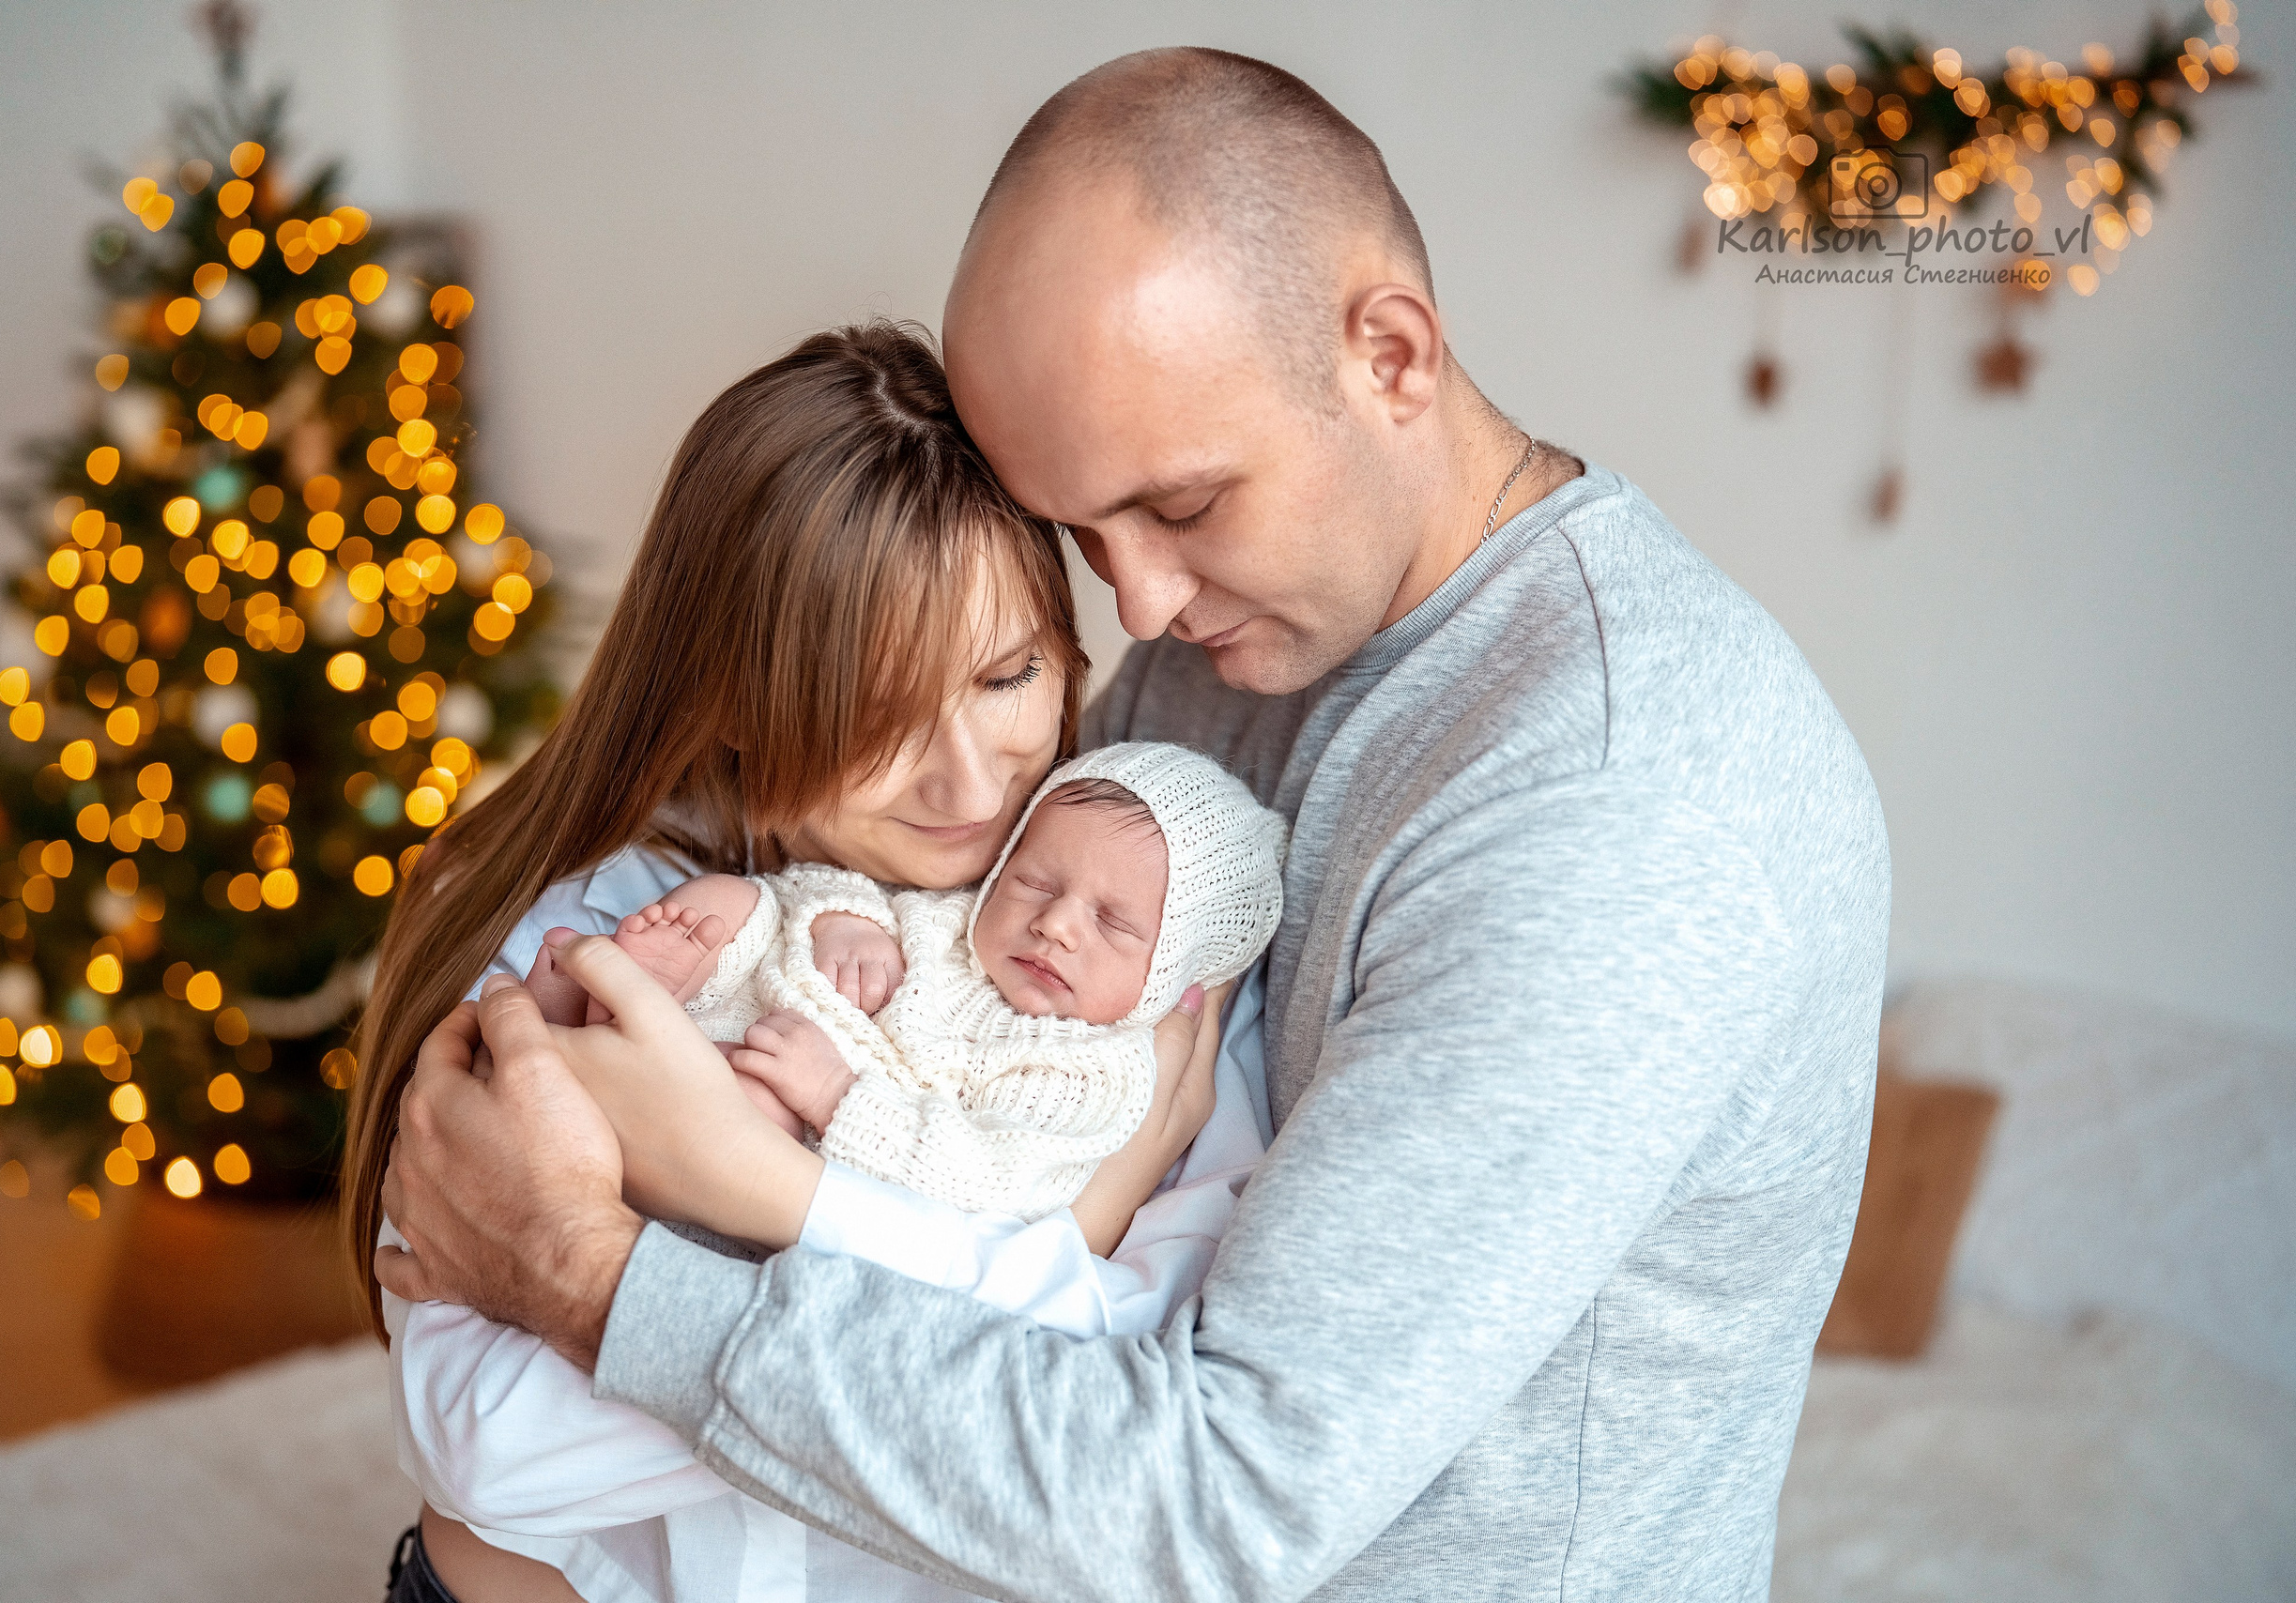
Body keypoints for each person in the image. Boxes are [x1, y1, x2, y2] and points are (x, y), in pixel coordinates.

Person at [378, 46, 1893, 1603]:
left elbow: (1210, 1502)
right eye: (1085, 534)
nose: (1141, 605)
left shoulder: (1619, 798)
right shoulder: (1216, 657)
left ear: (1389, 354)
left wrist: (591, 1274)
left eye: (1178, 507)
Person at [348, 322, 1248, 1601]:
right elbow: (491, 1448)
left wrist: (706, 1209)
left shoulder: (1123, 945)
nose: (971, 779)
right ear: (732, 699)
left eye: (1008, 676)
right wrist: (1084, 1226)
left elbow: (1125, 1430)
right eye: (876, 715)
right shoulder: (610, 939)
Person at [529, 740, 1286, 1219]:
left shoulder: (1093, 1071)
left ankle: (592, 1053)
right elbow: (814, 892)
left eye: (1115, 924)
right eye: (1032, 880)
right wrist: (846, 920)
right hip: (760, 1012)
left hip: (796, 1141)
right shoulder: (955, 922)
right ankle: (621, 1001)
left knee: (757, 1108)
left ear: (1176, 971)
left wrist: (835, 1097)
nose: (1056, 924)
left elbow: (995, 1182)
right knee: (733, 902)